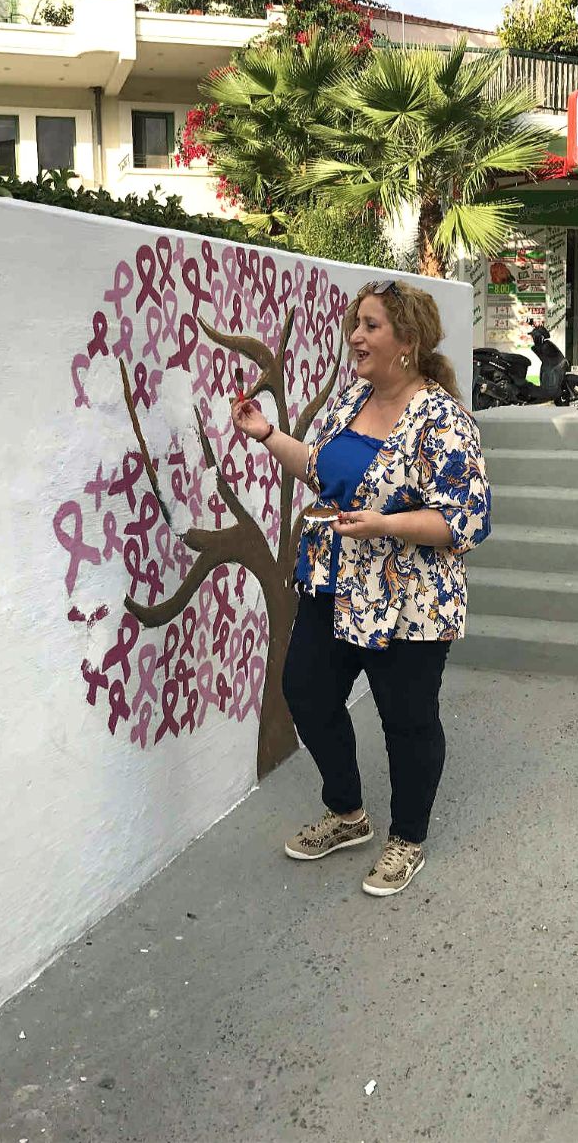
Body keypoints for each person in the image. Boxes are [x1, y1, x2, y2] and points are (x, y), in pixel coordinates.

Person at [231, 278, 491, 897]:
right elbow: (320, 470)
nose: (355, 336)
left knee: (407, 719)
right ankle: (348, 813)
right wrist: (266, 433)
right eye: (356, 325)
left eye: (371, 326)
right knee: (306, 691)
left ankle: (408, 838)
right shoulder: (352, 400)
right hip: (334, 584)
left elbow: (467, 519)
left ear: (407, 341)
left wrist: (386, 524)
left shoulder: (442, 420)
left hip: (409, 598)